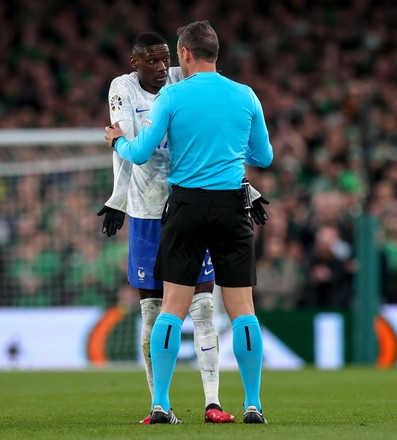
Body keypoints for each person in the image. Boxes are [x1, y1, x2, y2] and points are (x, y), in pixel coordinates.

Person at [105, 21, 273, 424]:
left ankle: (160, 404)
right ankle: (253, 404)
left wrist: (116, 141)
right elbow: (263, 157)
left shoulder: (173, 96)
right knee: (243, 311)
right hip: (232, 208)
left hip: (184, 207)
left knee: (171, 309)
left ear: (184, 54)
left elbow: (142, 152)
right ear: (215, 52)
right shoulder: (245, 95)